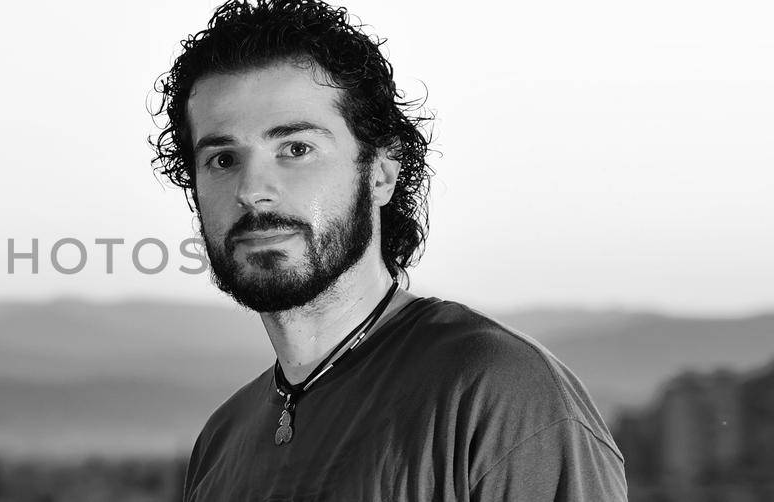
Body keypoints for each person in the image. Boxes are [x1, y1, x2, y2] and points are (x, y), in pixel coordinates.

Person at [148, 1, 626, 500]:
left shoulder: (498, 392)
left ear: (380, 172)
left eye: (295, 149)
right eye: (223, 159)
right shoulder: (222, 442)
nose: (252, 189)